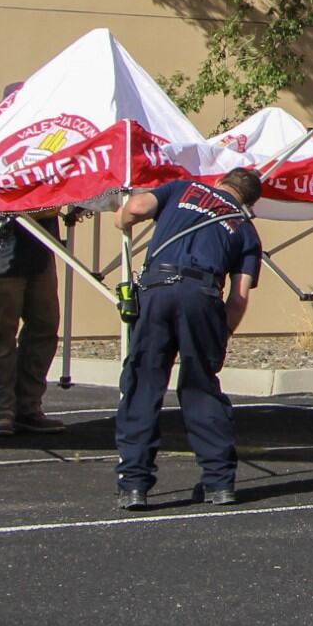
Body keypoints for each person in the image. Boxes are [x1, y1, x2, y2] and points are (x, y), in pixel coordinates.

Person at [113, 168, 264, 511]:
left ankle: (134, 485)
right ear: (251, 202)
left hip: (157, 289)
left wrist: (120, 220)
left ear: (221, 181)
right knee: (201, 386)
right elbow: (239, 298)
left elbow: (136, 207)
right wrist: (220, 335)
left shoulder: (183, 189)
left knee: (144, 382)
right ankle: (219, 482)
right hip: (204, 295)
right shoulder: (246, 231)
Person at [0, 200, 64, 437]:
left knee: (45, 327)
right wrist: (40, 207)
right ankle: (2, 409)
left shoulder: (39, 166)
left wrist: (44, 206)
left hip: (40, 253)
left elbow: (56, 202)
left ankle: (29, 407)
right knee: (1, 335)